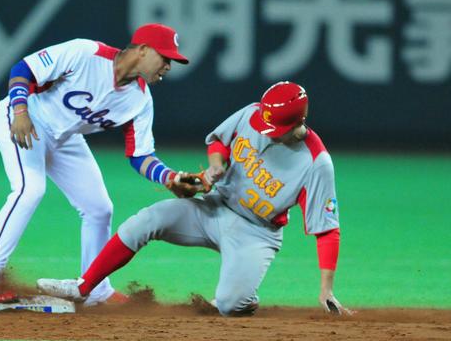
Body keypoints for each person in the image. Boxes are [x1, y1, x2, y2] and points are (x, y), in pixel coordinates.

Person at [36, 81, 353, 316]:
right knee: (146, 221)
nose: (264, 128)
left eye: (274, 126)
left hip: (255, 233)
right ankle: (84, 286)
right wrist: (215, 166)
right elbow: (219, 141)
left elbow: (326, 229)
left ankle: (244, 295)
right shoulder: (254, 114)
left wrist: (326, 289)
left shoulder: (316, 164)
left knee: (230, 304)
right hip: (213, 208)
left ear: (297, 122)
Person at [0, 24, 190, 305]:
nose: (169, 66)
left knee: (99, 209)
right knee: (30, 189)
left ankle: (96, 291)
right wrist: (20, 109)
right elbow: (23, 69)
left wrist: (169, 178)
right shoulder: (86, 52)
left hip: (64, 139)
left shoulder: (140, 101)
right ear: (143, 50)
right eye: (165, 57)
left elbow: (140, 155)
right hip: (20, 120)